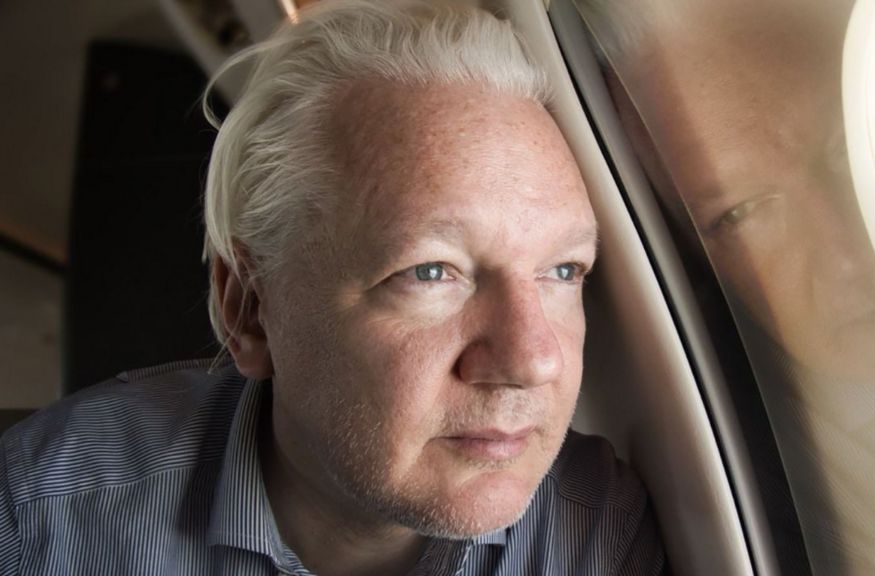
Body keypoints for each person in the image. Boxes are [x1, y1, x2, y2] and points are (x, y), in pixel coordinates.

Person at [0, 2, 665, 574]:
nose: (533, 361)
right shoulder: (39, 519)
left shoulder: (600, 535)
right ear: (250, 311)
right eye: (431, 272)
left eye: (563, 271)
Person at [574, 0, 875, 574]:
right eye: (740, 214)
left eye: (849, 148)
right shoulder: (767, 500)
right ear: (693, 261)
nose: (847, 256)